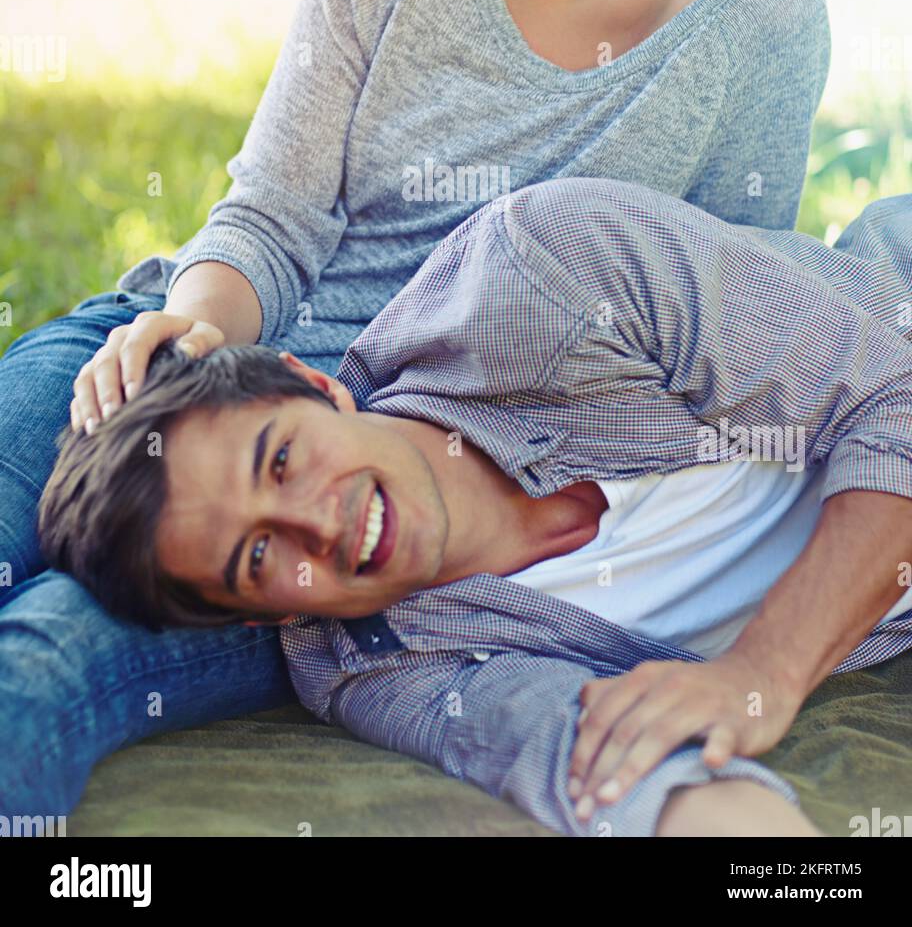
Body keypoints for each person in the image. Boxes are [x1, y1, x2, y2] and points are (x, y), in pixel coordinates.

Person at [0, 0, 829, 817]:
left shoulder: (764, 10)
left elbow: (724, 309)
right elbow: (271, 216)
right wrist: (194, 327)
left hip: (362, 496)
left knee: (46, 659)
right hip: (215, 366)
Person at [38, 176, 912, 837]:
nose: (318, 524)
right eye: (258, 559)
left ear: (313, 386)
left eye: (283, 460)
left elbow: (896, 397)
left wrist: (760, 674)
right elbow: (616, 770)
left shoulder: (546, 269)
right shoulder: (374, 665)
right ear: (258, 617)